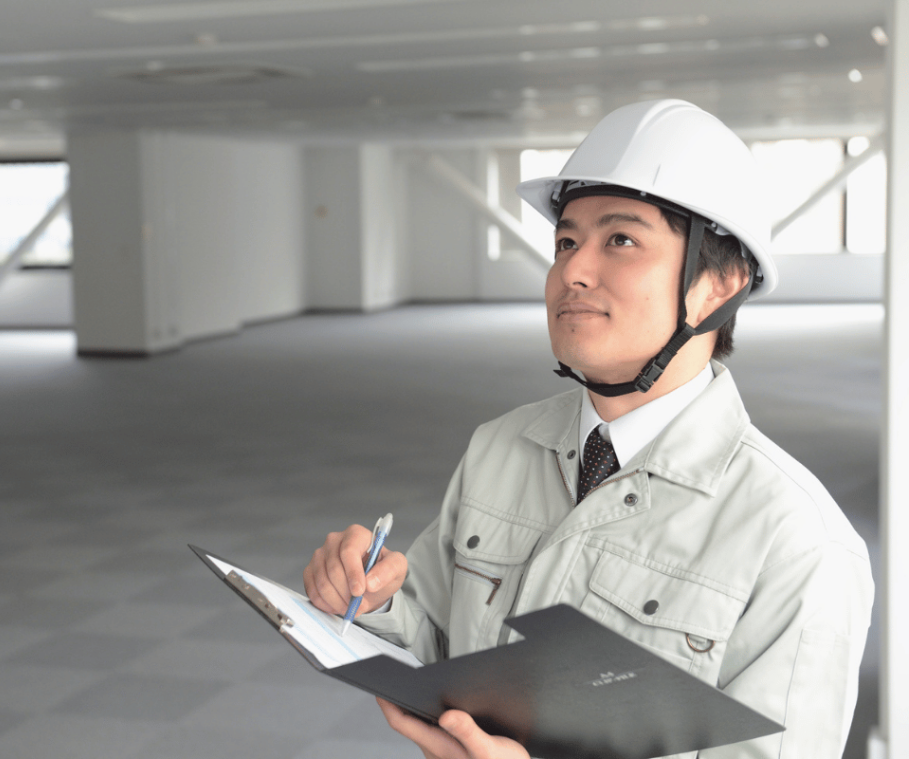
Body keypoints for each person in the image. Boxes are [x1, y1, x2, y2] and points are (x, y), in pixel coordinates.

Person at [303, 99, 873, 759]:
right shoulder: (498, 448)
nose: (572, 269)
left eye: (621, 239)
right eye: (566, 240)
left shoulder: (798, 542)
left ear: (720, 283)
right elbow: (432, 639)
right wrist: (365, 597)